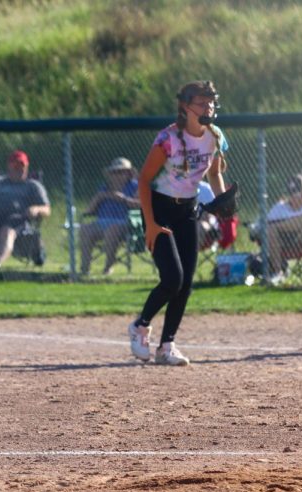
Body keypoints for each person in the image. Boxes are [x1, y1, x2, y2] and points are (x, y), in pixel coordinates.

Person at [127, 80, 229, 366]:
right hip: (160, 209)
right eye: (201, 102)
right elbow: (144, 179)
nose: (208, 107)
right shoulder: (168, 139)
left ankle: (166, 345)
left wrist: (221, 200)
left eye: (211, 103)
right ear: (185, 106)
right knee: (172, 278)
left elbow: (215, 173)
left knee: (185, 284)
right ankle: (140, 325)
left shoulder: (215, 136)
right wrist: (149, 223)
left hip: (187, 211)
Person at [0, 150, 50, 270]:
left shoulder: (33, 185)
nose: (19, 169)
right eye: (15, 166)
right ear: (9, 166)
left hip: (16, 219)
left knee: (6, 232)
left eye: (21, 166)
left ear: (26, 167)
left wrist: (37, 209)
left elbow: (47, 209)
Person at [79, 157, 140, 275]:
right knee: (85, 229)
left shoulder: (136, 186)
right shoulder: (104, 187)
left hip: (125, 223)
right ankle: (84, 269)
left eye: (121, 172)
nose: (117, 175)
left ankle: (108, 267)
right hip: (102, 222)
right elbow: (88, 211)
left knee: (112, 230)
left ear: (128, 174)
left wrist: (123, 199)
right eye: (114, 172)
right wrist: (99, 197)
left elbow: (142, 206)